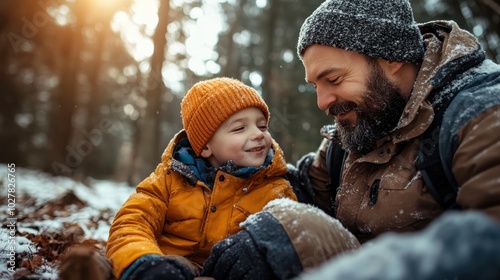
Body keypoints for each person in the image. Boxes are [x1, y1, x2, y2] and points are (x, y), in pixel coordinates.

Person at [200, 0, 500, 279]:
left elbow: (486, 246)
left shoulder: (481, 114)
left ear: (391, 57)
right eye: (315, 85)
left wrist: (304, 242)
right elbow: (296, 189)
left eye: (333, 80)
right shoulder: (363, 123)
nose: (322, 101)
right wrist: (196, 175)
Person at [59, 77, 298, 280]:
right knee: (123, 262)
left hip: (219, 275)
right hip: (159, 266)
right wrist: (143, 260)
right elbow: (132, 221)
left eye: (262, 126)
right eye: (239, 128)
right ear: (204, 147)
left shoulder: (275, 189)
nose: (258, 134)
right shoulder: (169, 178)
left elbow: (288, 243)